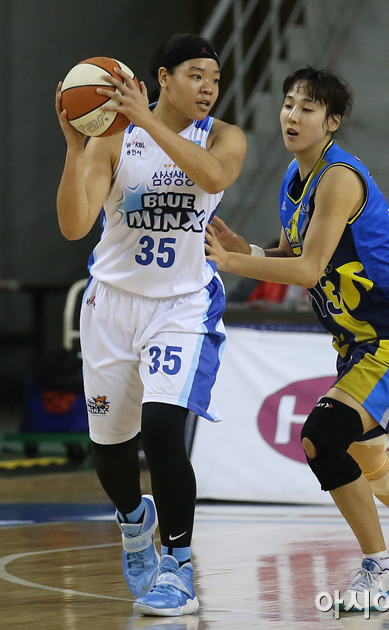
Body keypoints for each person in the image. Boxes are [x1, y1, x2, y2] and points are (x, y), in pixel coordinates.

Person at [206, 67, 389, 610]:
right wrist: (248, 250)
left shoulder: (339, 178)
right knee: (366, 455)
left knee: (322, 437)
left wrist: (232, 264)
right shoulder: (295, 174)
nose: (292, 116)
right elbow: (295, 254)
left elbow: (308, 272)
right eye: (288, 104)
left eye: (307, 108)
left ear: (331, 122)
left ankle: (379, 569)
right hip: (358, 341)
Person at [55, 34, 246, 617]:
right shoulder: (113, 139)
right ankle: (135, 520)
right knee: (111, 451)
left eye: (215, 78)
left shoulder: (224, 137)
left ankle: (178, 567)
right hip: (112, 305)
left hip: (182, 306)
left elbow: (213, 178)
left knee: (163, 428)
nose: (209, 87)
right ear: (163, 78)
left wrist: (145, 120)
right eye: (196, 75)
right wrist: (75, 147)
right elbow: (73, 226)